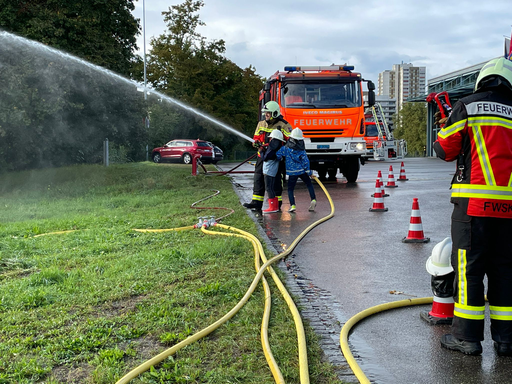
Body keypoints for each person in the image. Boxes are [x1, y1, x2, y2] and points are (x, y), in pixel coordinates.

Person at [433, 56, 512, 356]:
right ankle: (506, 340)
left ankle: (466, 337)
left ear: (484, 79)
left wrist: (447, 127)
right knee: (505, 270)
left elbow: (444, 149)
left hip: (473, 208)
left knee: (469, 271)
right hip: (509, 210)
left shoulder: (468, 106)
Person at [243, 101, 291, 210]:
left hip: (276, 159)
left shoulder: (284, 125)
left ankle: (276, 204)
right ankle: (256, 202)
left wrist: (280, 153)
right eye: (265, 113)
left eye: (268, 113)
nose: (266, 115)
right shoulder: (261, 124)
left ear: (274, 113)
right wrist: (256, 143)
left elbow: (290, 142)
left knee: (276, 181)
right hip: (262, 156)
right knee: (258, 178)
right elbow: (256, 139)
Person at [276, 128, 316, 212]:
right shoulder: (302, 150)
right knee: (309, 184)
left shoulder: (285, 149)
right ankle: (313, 199)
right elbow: (305, 161)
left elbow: (278, 154)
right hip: (302, 171)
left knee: (290, 189)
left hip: (292, 173)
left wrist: (280, 159)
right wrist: (309, 172)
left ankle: (293, 205)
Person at [262, 129, 285, 213]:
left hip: (268, 171)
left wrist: (261, 151)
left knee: (269, 188)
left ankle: (272, 207)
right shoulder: (277, 149)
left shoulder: (272, 150)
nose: (270, 140)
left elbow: (265, 157)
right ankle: (275, 207)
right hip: (272, 172)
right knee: (271, 188)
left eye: (271, 138)